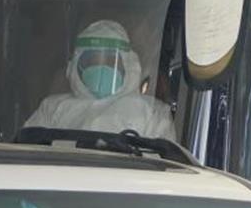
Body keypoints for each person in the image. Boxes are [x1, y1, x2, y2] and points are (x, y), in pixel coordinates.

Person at [23, 20, 175, 140]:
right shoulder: (53, 109)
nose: (101, 68)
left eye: (110, 61)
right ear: (76, 65)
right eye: (92, 61)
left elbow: (160, 168)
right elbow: (28, 154)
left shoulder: (152, 113)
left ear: (129, 66)